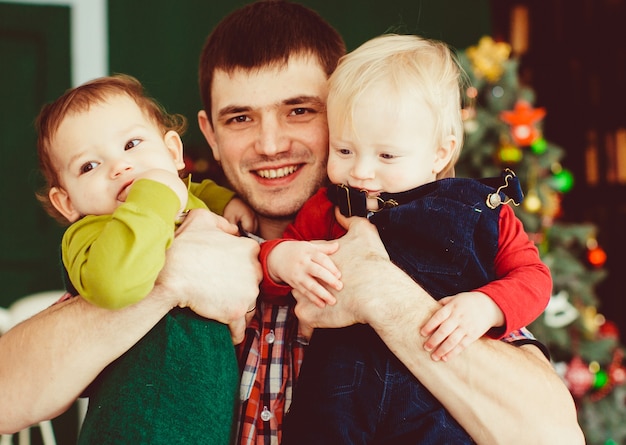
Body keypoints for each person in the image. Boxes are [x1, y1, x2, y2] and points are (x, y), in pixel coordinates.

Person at [0, 1, 584, 445]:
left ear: (342, 115)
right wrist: (169, 282)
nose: (271, 143)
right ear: (206, 133)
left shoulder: (426, 243)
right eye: (240, 118)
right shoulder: (158, 236)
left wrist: (384, 295)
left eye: (300, 111)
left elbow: (553, 434)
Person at [260, 34, 552, 443]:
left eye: (386, 156)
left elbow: (533, 277)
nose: (360, 172)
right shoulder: (328, 209)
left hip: (435, 407)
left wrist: (488, 306)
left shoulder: (480, 212)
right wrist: (284, 259)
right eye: (344, 150)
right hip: (337, 401)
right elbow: (271, 265)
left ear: (439, 153)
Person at [34, 73, 256, 444]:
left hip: (205, 419)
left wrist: (224, 201)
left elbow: (190, 191)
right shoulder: (89, 234)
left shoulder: (176, 198)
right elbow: (115, 285)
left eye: (132, 144)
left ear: (172, 152)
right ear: (66, 202)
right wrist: (154, 191)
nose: (119, 167)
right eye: (89, 166)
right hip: (136, 427)